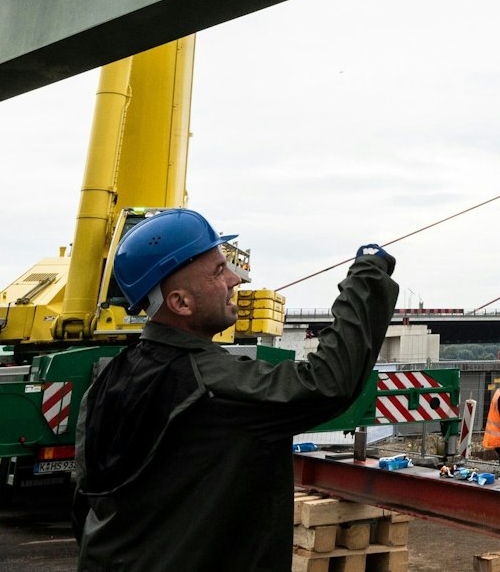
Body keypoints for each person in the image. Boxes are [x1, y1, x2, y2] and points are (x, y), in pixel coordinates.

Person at [74, 208, 398, 572]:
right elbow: (327, 382)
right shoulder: (212, 382)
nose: (235, 278)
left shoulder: (108, 378)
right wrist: (367, 277)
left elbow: (87, 500)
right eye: (218, 271)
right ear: (180, 302)